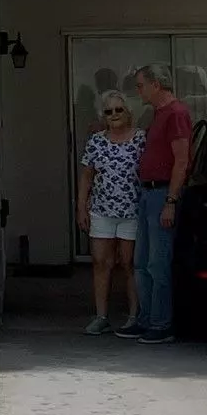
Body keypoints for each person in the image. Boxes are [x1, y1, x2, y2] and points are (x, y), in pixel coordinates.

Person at [128, 63, 195, 342]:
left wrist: (171, 200)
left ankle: (161, 323)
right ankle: (145, 318)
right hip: (146, 192)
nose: (138, 90)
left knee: (158, 261)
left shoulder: (176, 113)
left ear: (157, 85)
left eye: (141, 85)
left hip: (161, 193)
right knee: (141, 261)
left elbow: (182, 159)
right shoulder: (156, 114)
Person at [75, 90, 143, 334]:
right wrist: (81, 207)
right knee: (101, 263)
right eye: (108, 111)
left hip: (132, 211)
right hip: (101, 211)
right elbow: (86, 176)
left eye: (118, 110)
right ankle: (101, 315)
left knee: (130, 263)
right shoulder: (96, 141)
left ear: (128, 112)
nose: (114, 115)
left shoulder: (140, 139)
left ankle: (135, 315)